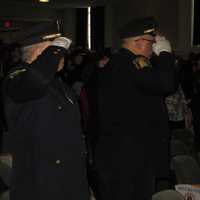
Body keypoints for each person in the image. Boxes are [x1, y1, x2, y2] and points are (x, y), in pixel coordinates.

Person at [2, 22, 89, 200]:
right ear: (37, 52)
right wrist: (55, 51)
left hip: (69, 177)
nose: (62, 55)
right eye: (56, 49)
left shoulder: (58, 83)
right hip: (40, 179)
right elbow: (33, 84)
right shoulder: (18, 75)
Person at [94, 16, 178, 200]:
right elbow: (165, 84)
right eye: (152, 42)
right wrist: (165, 54)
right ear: (139, 42)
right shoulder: (131, 63)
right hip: (128, 156)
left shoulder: (123, 62)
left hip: (129, 152)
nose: (154, 47)